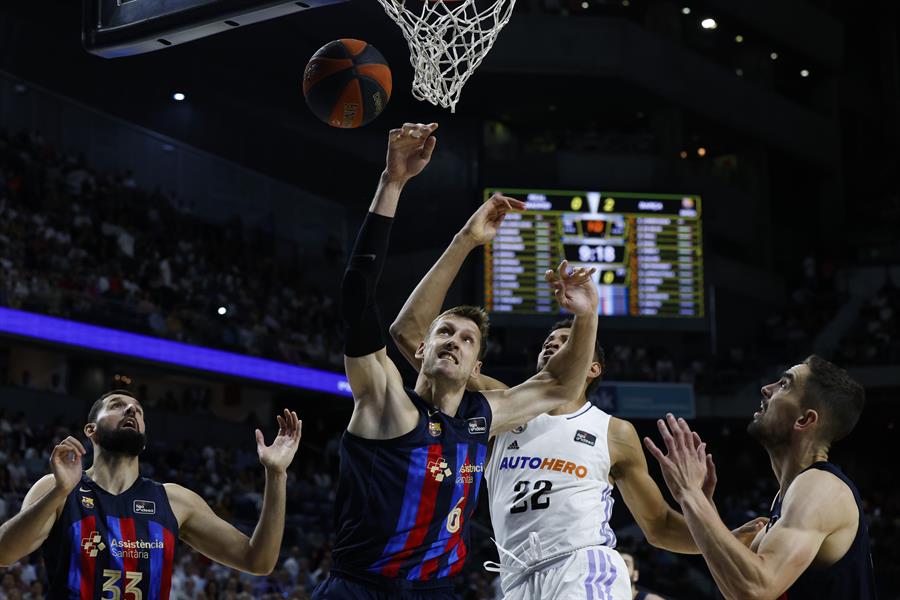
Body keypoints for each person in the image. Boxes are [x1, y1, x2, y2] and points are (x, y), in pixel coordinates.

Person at [389, 195, 764, 599]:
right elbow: (410, 336)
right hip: (517, 581)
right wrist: (466, 239)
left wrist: (723, 538)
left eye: (566, 343)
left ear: (592, 367)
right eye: (548, 342)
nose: (552, 347)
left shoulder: (614, 432)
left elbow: (658, 527)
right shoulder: (502, 405)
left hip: (582, 568)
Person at [313, 122, 601, 600]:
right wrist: (393, 184)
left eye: (467, 340)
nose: (454, 341)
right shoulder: (387, 403)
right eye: (444, 332)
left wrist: (587, 315)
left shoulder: (481, 416)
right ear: (421, 351)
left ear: (475, 368)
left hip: (441, 591)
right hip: (363, 588)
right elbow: (357, 296)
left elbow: (558, 386)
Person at [0, 389, 301, 599]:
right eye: (117, 405)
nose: (131, 409)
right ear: (90, 430)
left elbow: (258, 561)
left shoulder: (175, 501)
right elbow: (4, 553)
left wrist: (276, 475)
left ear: (144, 437)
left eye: (138, 411)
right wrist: (60, 491)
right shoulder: (56, 489)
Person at [644, 355, 877, 599]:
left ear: (804, 419)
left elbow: (757, 588)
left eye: (785, 385)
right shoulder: (786, 497)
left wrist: (691, 496)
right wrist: (702, 509)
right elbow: (739, 591)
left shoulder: (822, 487)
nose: (766, 389)